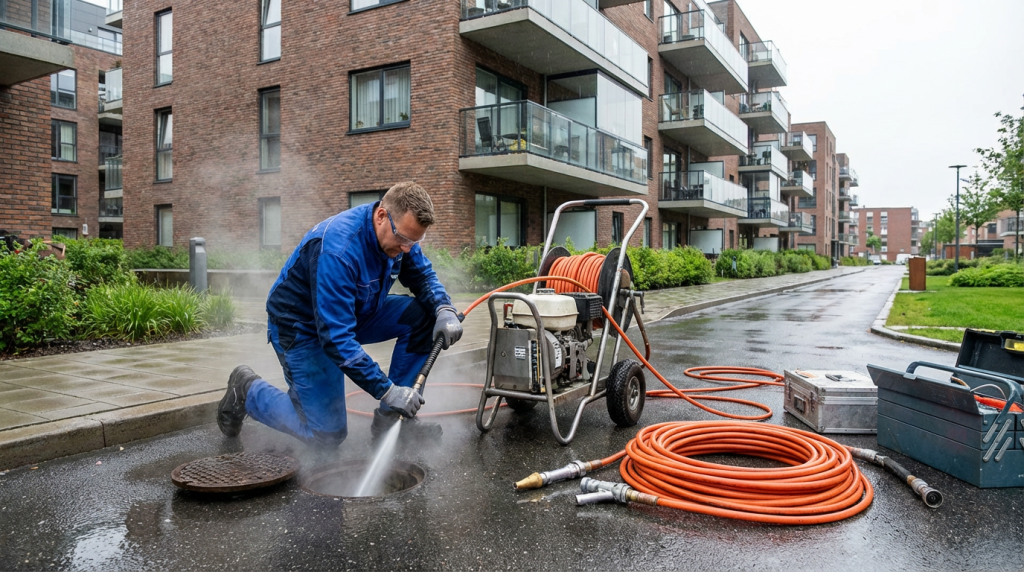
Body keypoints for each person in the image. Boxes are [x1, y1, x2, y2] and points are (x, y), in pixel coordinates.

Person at [217, 182, 463, 447]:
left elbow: (421, 274)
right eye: (403, 239)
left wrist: (444, 308)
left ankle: (393, 422)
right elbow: (336, 338)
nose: (407, 248)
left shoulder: (398, 234)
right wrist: (387, 390)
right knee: (326, 434)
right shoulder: (338, 251)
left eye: (414, 241)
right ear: (381, 216)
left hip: (355, 313)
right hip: (303, 328)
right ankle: (246, 389)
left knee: (425, 317)